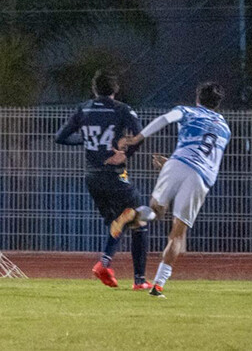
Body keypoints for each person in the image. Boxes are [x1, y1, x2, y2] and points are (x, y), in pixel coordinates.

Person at [117, 82, 230, 298]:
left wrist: (138, 138)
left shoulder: (187, 111)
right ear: (217, 104)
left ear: (197, 99)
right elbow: (208, 159)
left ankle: (132, 215)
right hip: (201, 177)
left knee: (156, 210)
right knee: (177, 233)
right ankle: (158, 286)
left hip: (178, 164)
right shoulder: (225, 128)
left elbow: (164, 119)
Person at [55, 70, 151, 289]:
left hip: (92, 177)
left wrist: (89, 141)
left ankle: (123, 273)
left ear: (94, 89)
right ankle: (111, 266)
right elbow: (140, 135)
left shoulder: (83, 109)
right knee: (140, 215)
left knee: (123, 221)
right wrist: (125, 154)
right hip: (114, 175)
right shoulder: (121, 110)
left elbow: (60, 137)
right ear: (115, 90)